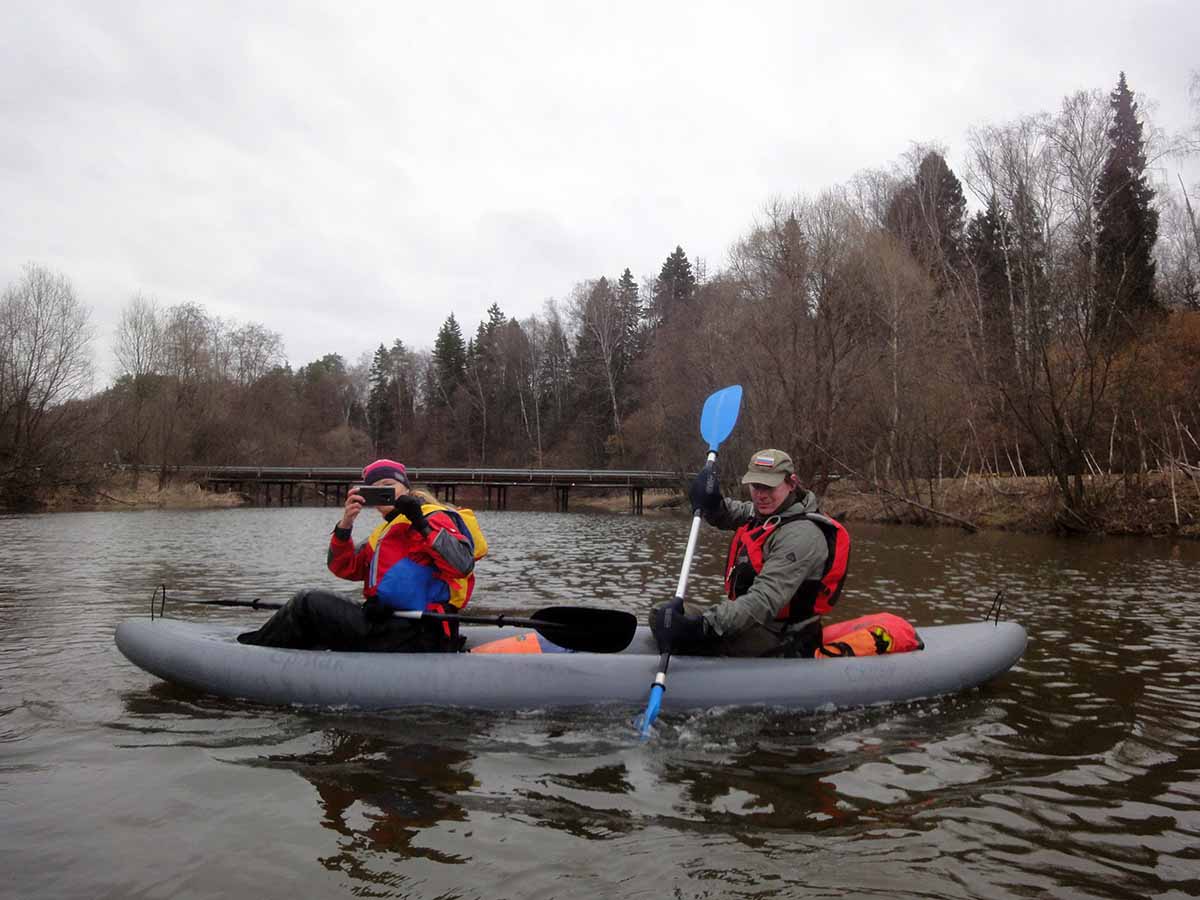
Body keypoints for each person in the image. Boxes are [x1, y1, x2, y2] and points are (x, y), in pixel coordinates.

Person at [237, 458, 481, 652]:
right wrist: (345, 525)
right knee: (314, 614)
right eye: (374, 490)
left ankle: (253, 655)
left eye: (388, 485)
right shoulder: (385, 532)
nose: (383, 492)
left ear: (406, 488)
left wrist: (420, 523)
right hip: (391, 625)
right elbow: (344, 567)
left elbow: (462, 564)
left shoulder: (433, 517)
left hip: (422, 630)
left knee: (307, 601)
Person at [648, 448, 850, 658]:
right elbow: (733, 513)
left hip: (781, 635)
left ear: (791, 483)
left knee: (678, 630)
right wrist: (712, 502)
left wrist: (704, 625)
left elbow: (763, 600)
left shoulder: (802, 537)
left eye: (769, 487)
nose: (761, 495)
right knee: (661, 614)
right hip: (753, 621)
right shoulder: (770, 511)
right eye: (756, 486)